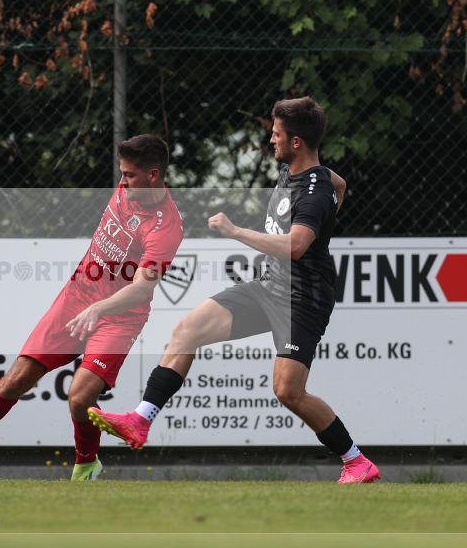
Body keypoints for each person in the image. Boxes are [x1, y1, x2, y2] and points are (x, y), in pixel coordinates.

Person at [89, 97, 380, 483]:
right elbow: (338, 185)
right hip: (269, 287)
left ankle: (356, 461)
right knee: (187, 330)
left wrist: (234, 231)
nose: (270, 140)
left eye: (276, 134)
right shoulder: (310, 174)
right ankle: (140, 420)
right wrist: (329, 209)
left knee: (288, 392)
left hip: (302, 300)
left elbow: (296, 246)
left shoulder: (310, 191)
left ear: (296, 142)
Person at [0, 135, 182, 480]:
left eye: (129, 175)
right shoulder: (126, 190)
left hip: (119, 318)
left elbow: (142, 290)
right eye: (121, 173)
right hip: (75, 297)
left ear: (153, 176)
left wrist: (100, 309)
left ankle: (87, 464)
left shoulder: (166, 226)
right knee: (15, 380)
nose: (121, 182)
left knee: (79, 399)